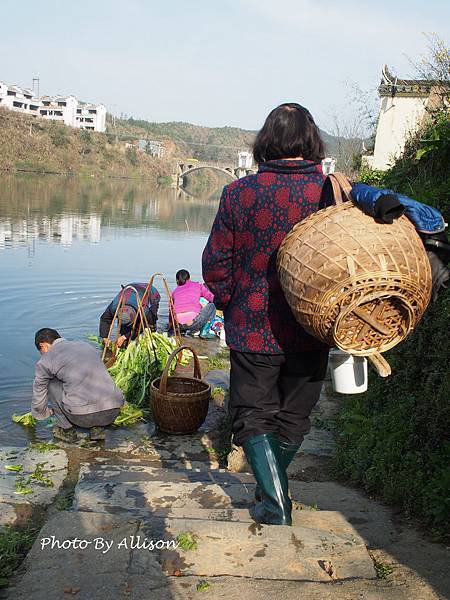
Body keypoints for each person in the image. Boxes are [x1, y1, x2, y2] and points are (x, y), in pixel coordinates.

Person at [202, 103, 330, 526]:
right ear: (312, 141)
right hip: (313, 324)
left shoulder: (239, 193)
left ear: (265, 142)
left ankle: (275, 505)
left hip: (253, 326)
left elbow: (217, 261)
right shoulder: (332, 193)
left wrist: (227, 302)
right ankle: (271, 495)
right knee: (294, 415)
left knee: (253, 415)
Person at [31, 328, 124, 443]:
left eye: (41, 351)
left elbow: (39, 391)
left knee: (51, 383)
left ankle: (66, 430)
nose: (42, 355)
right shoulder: (86, 346)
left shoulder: (46, 359)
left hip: (83, 418)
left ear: (43, 345)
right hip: (112, 412)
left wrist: (40, 413)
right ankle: (97, 430)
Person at [99, 282, 160, 348]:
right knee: (124, 334)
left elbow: (143, 325)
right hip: (129, 290)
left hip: (150, 292)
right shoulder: (114, 307)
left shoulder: (144, 311)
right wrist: (105, 337)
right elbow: (105, 319)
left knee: (150, 326)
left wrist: (125, 336)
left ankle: (152, 337)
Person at [171, 269, 216, 338]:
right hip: (192, 323)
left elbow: (171, 310)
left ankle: (188, 331)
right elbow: (211, 298)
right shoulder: (198, 285)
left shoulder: (174, 291)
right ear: (189, 278)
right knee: (212, 306)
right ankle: (204, 332)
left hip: (178, 325)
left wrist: (171, 327)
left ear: (177, 280)